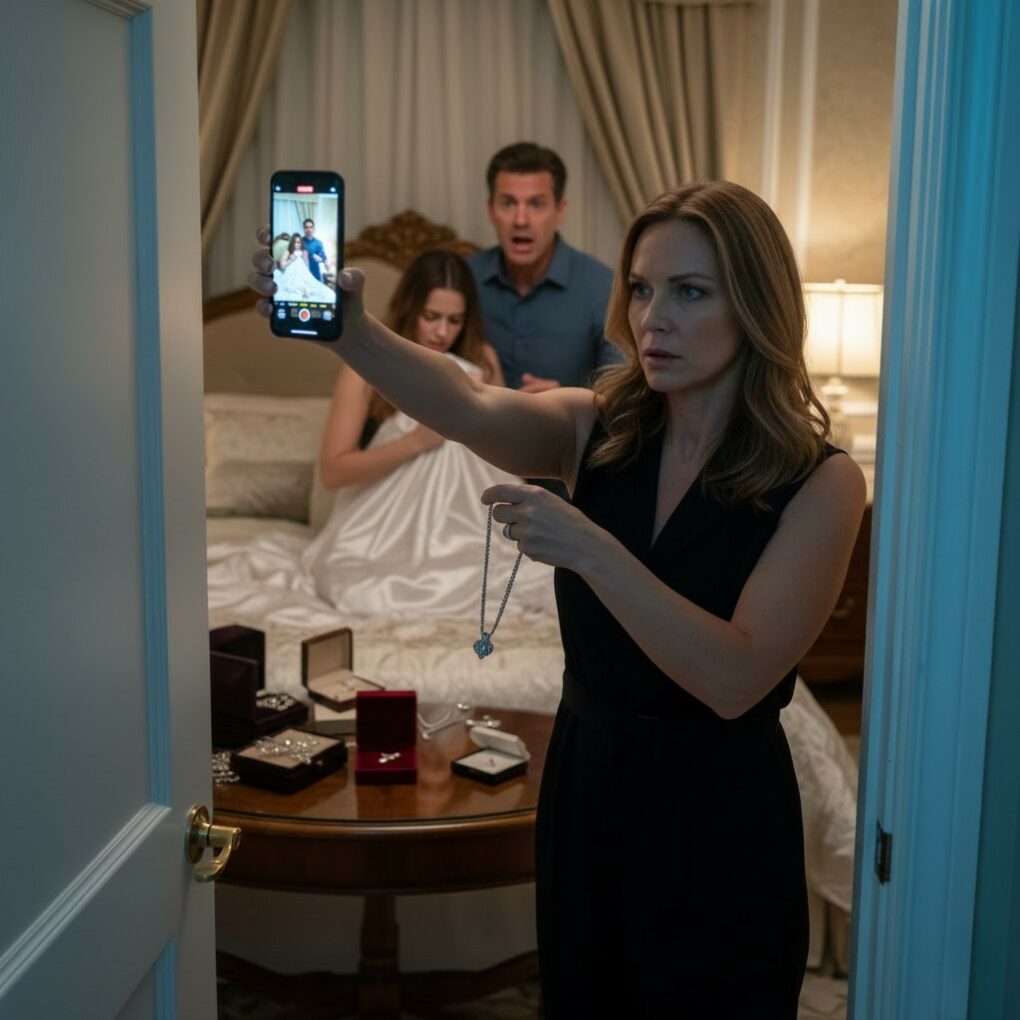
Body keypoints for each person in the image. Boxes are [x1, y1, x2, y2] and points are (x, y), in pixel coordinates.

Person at [251, 180, 866, 1015]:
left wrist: (589, 547)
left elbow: (735, 678)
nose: (652, 318)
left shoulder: (821, 482)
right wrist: (348, 330)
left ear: (757, 304)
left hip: (717, 812)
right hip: (588, 790)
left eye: (689, 292)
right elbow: (467, 402)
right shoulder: (598, 427)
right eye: (641, 288)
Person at [302, 249, 533, 617]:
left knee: (529, 579)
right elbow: (333, 472)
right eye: (431, 317)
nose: (442, 332)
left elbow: (503, 455)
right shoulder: (365, 363)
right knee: (366, 590)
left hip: (470, 525)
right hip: (384, 529)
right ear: (410, 308)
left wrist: (524, 412)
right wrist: (416, 442)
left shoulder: (482, 360)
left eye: (455, 320)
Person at [468, 142, 617, 393]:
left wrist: (567, 402)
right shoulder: (465, 278)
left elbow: (624, 389)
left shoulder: (602, 288)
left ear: (560, 211)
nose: (521, 220)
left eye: (536, 204)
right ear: (491, 210)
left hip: (572, 419)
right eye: (508, 203)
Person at [273, 234, 336, 304]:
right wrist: (290, 260)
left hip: (302, 272)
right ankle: (300, 290)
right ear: (292, 243)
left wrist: (307, 275)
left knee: (310, 285)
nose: (297, 244)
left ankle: (304, 290)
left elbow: (307, 266)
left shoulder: (303, 252)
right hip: (291, 273)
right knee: (291, 285)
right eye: (295, 242)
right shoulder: (288, 252)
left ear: (301, 243)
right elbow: (282, 266)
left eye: (298, 242)